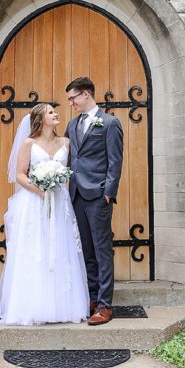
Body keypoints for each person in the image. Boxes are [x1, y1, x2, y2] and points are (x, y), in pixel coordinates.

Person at [0, 103, 89, 325]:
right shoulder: (29, 144)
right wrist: (41, 190)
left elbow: (70, 172)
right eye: (50, 112)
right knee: (37, 248)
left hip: (60, 203)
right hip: (35, 203)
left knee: (61, 247)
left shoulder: (65, 142)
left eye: (55, 111)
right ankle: (34, 305)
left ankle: (63, 306)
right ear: (40, 118)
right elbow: (19, 174)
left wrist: (56, 185)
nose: (56, 114)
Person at [66, 76, 123, 326]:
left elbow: (115, 160)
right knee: (86, 251)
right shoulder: (71, 124)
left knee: (102, 251)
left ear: (86, 94)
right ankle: (91, 299)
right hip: (76, 194)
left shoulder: (110, 123)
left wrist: (108, 192)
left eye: (73, 98)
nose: (71, 103)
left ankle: (105, 305)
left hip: (98, 195)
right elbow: (71, 159)